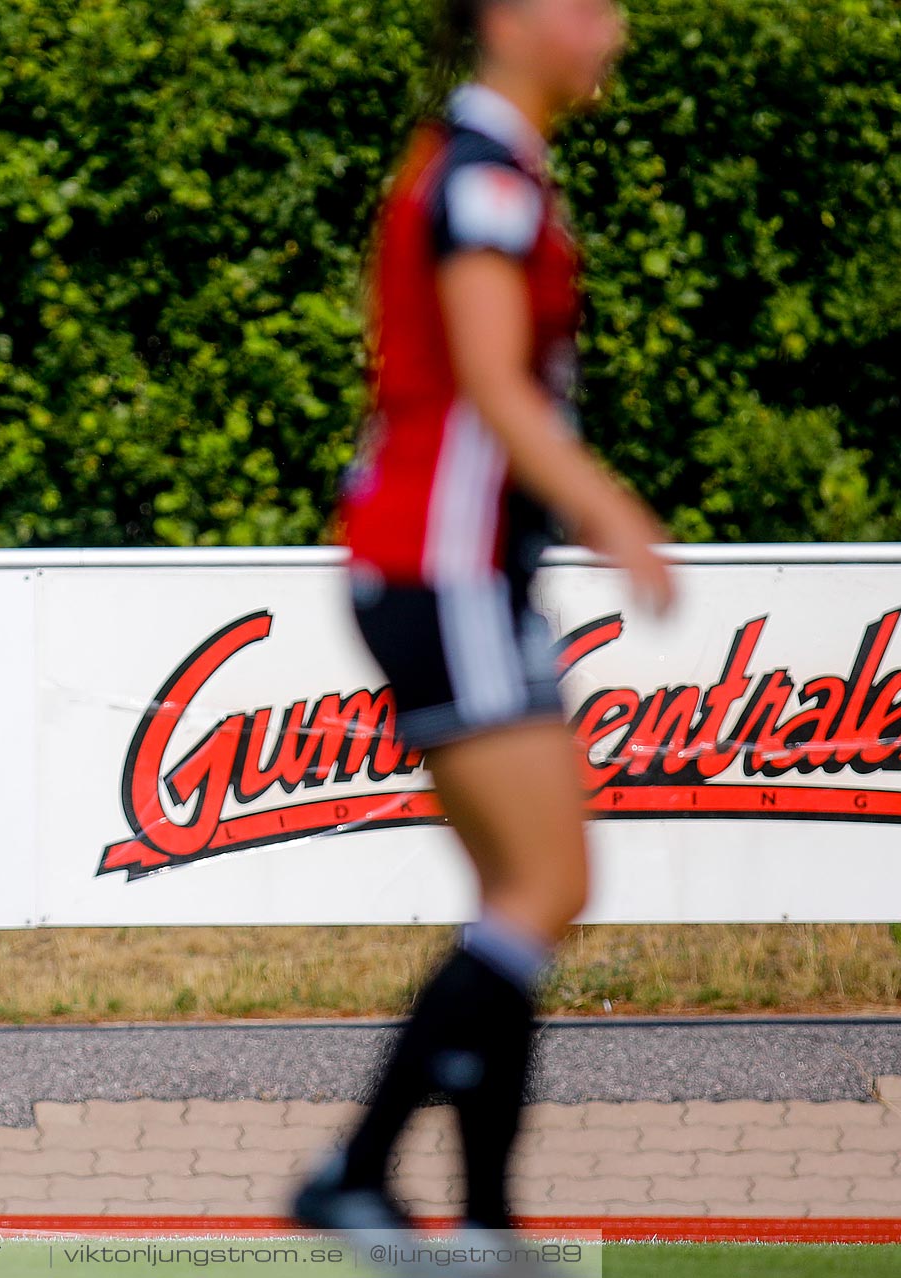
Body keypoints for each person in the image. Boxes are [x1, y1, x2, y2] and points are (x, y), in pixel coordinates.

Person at [294, 0, 674, 1247]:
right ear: (514, 18)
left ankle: (488, 1226)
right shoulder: (483, 175)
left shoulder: (484, 164)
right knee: (547, 883)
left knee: (521, 897)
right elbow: (495, 383)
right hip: (440, 570)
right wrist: (613, 514)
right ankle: (358, 1173)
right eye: (593, 7)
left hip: (452, 575)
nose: (612, 31)